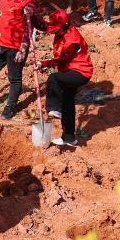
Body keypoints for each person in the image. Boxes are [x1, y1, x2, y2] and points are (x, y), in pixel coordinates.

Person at [33, 9, 93, 147]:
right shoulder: (61, 27)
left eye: (56, 30)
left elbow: (63, 58)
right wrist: (30, 15)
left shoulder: (73, 40)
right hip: (68, 71)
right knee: (67, 102)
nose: (54, 32)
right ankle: (69, 138)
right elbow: (44, 26)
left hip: (80, 72)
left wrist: (44, 64)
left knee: (54, 78)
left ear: (65, 26)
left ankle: (54, 108)